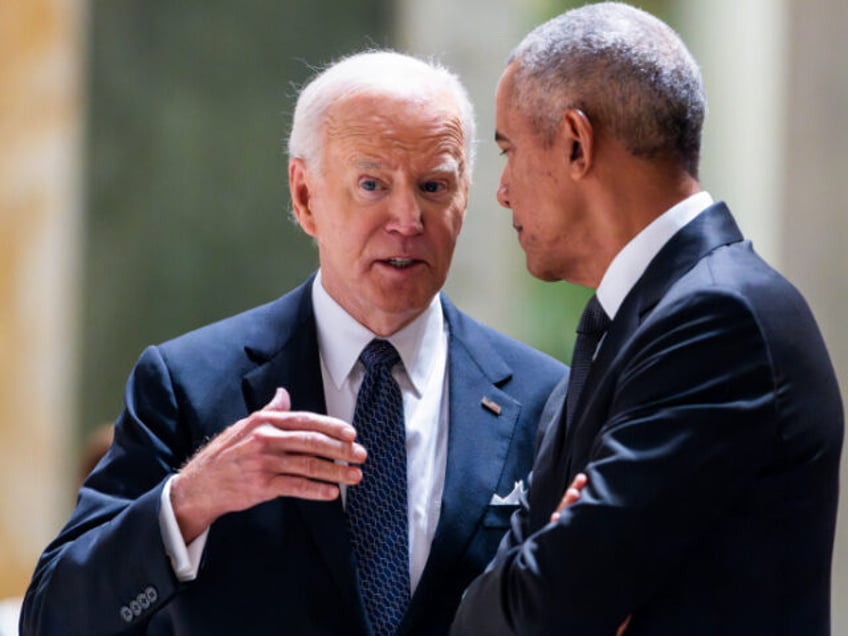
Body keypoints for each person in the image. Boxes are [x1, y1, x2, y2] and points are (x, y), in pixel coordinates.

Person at [20, 50, 567, 635]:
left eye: (434, 186)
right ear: (305, 196)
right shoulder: (187, 385)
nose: (407, 218)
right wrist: (190, 501)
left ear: (464, 198)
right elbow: (55, 617)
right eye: (372, 184)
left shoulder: (544, 397)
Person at [451, 3, 844, 635]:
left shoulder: (719, 322)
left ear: (577, 143)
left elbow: (545, 608)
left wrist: (554, 571)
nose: (501, 190)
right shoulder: (640, 323)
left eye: (508, 150)